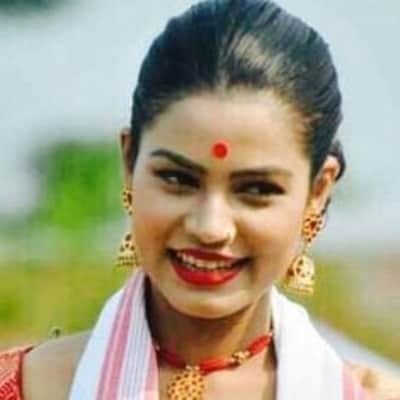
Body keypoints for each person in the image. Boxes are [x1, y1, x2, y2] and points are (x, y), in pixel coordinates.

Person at [1, 0, 399, 399]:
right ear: (130, 161)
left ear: (318, 192)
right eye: (177, 179)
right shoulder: (28, 386)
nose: (210, 227)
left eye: (256, 190)